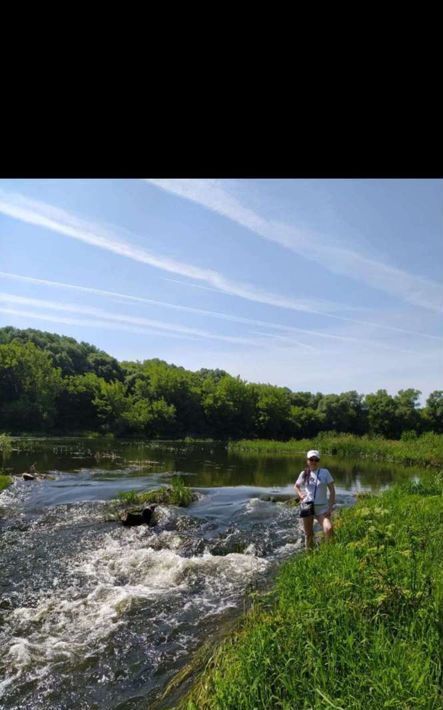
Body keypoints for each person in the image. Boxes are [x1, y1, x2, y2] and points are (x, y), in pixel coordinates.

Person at [294, 449, 336, 549]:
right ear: (307, 461)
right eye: (311, 459)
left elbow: (332, 491)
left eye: (316, 460)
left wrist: (330, 508)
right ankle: (309, 554)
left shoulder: (325, 472)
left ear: (318, 461)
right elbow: (296, 486)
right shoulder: (304, 473)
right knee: (308, 534)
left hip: (322, 507)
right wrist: (300, 494)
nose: (313, 462)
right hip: (307, 505)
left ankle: (328, 552)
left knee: (328, 529)